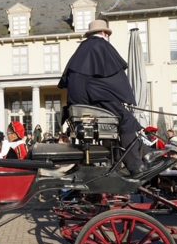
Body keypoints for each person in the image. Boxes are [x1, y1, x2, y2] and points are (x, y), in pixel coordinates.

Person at [58, 19, 144, 177]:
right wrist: (124, 98)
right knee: (126, 119)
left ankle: (123, 160)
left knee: (111, 125)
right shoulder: (102, 46)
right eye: (107, 33)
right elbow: (114, 78)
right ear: (104, 33)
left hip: (81, 103)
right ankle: (136, 166)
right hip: (95, 98)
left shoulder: (81, 49)